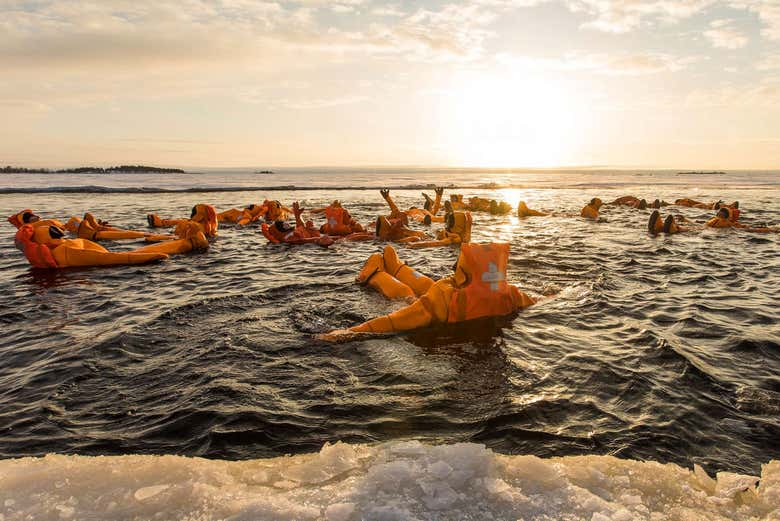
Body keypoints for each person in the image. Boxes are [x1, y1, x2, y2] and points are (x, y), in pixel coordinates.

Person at [317, 243, 539, 342]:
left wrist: (349, 331)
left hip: (424, 312)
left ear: (462, 272)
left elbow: (393, 321)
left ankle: (374, 272)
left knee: (405, 293)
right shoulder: (509, 294)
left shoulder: (443, 298)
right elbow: (540, 300)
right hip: (444, 304)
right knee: (431, 284)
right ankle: (396, 266)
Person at [14, 222, 208, 269]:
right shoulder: (65, 251)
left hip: (109, 248)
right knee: (139, 249)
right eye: (54, 231)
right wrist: (146, 257)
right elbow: (107, 258)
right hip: (116, 253)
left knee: (141, 245)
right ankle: (188, 244)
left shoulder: (63, 248)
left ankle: (185, 243)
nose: (59, 232)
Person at [406, 206, 472, 249]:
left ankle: (425, 223)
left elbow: (435, 243)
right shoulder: (463, 233)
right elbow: (468, 229)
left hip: (434, 237)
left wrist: (414, 245)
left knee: (420, 235)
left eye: (449, 221)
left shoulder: (452, 238)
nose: (448, 223)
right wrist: (469, 222)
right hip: (438, 233)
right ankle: (426, 222)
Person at [64, 213, 152, 241]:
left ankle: (97, 228)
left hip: (83, 231)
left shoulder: (73, 222)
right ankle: (97, 229)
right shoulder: (72, 223)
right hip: (80, 231)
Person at [147, 204, 219, 238]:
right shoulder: (213, 229)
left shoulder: (186, 224)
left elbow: (176, 236)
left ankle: (163, 223)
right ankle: (163, 222)